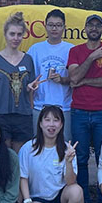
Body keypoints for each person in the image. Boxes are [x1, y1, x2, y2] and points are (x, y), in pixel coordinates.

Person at [67, 14, 102, 203]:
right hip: (79, 112)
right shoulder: (76, 51)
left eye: (98, 25)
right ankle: (83, 200)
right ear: (85, 28)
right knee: (80, 158)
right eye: (91, 25)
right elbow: (73, 78)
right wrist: (91, 58)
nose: (94, 28)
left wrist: (87, 81)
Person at [19, 106, 85, 203]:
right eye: (47, 120)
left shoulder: (68, 149)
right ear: (40, 123)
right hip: (38, 197)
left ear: (61, 125)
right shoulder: (27, 148)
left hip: (60, 194)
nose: (51, 124)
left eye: (56, 120)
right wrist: (27, 201)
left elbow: (71, 181)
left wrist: (68, 161)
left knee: (77, 191)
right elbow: (22, 178)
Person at [0, 11, 41, 152]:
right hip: (0, 114)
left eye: (19, 34)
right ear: (5, 34)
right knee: (3, 156)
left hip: (22, 116)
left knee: (21, 156)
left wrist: (29, 88)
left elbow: (30, 90)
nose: (15, 38)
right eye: (12, 34)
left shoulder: (27, 59)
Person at [28, 9, 74, 137]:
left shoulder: (71, 49)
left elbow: (76, 79)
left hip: (64, 108)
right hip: (40, 107)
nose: (54, 28)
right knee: (38, 147)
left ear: (64, 27)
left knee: (63, 148)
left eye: (58, 25)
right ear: (45, 26)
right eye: (51, 25)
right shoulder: (35, 49)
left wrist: (63, 79)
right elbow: (27, 80)